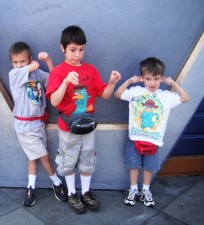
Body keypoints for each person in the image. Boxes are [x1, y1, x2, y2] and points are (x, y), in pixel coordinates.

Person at [45, 25, 121, 214]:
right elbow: (54, 101)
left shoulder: (91, 70)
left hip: (87, 126)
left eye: (81, 49)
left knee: (88, 160)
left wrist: (112, 82)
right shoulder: (58, 72)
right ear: (62, 48)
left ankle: (86, 192)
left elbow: (104, 94)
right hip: (67, 127)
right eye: (73, 50)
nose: (77, 54)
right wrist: (65, 82)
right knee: (69, 161)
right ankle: (72, 193)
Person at [114, 57, 190, 207]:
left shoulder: (166, 96)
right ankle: (133, 189)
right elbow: (117, 94)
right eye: (148, 79)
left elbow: (185, 98)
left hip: (154, 141)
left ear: (162, 78)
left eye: (156, 78)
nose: (152, 83)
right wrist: (130, 81)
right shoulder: (136, 91)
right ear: (142, 78)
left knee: (149, 167)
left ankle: (146, 190)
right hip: (135, 138)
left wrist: (174, 84)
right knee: (133, 165)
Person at [8, 42, 68, 207]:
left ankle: (31, 187)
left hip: (38, 124)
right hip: (24, 126)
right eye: (15, 62)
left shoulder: (38, 74)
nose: (19, 65)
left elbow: (54, 78)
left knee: (32, 157)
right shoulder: (14, 75)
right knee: (44, 156)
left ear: (29, 58)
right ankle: (56, 182)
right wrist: (32, 65)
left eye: (23, 61)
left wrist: (48, 61)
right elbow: (32, 66)